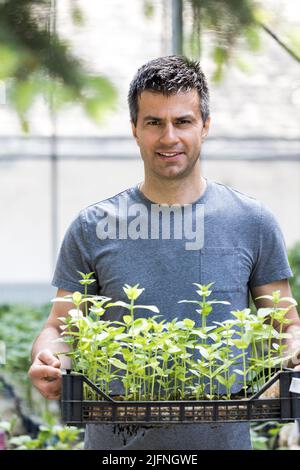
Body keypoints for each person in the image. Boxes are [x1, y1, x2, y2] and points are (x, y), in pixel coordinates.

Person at [28, 55, 300, 450]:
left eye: (183, 121)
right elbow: (60, 327)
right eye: (154, 122)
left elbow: (285, 323)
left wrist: (295, 348)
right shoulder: (93, 226)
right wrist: (49, 358)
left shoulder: (251, 221)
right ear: (135, 130)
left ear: (205, 126)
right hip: (117, 447)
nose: (169, 137)